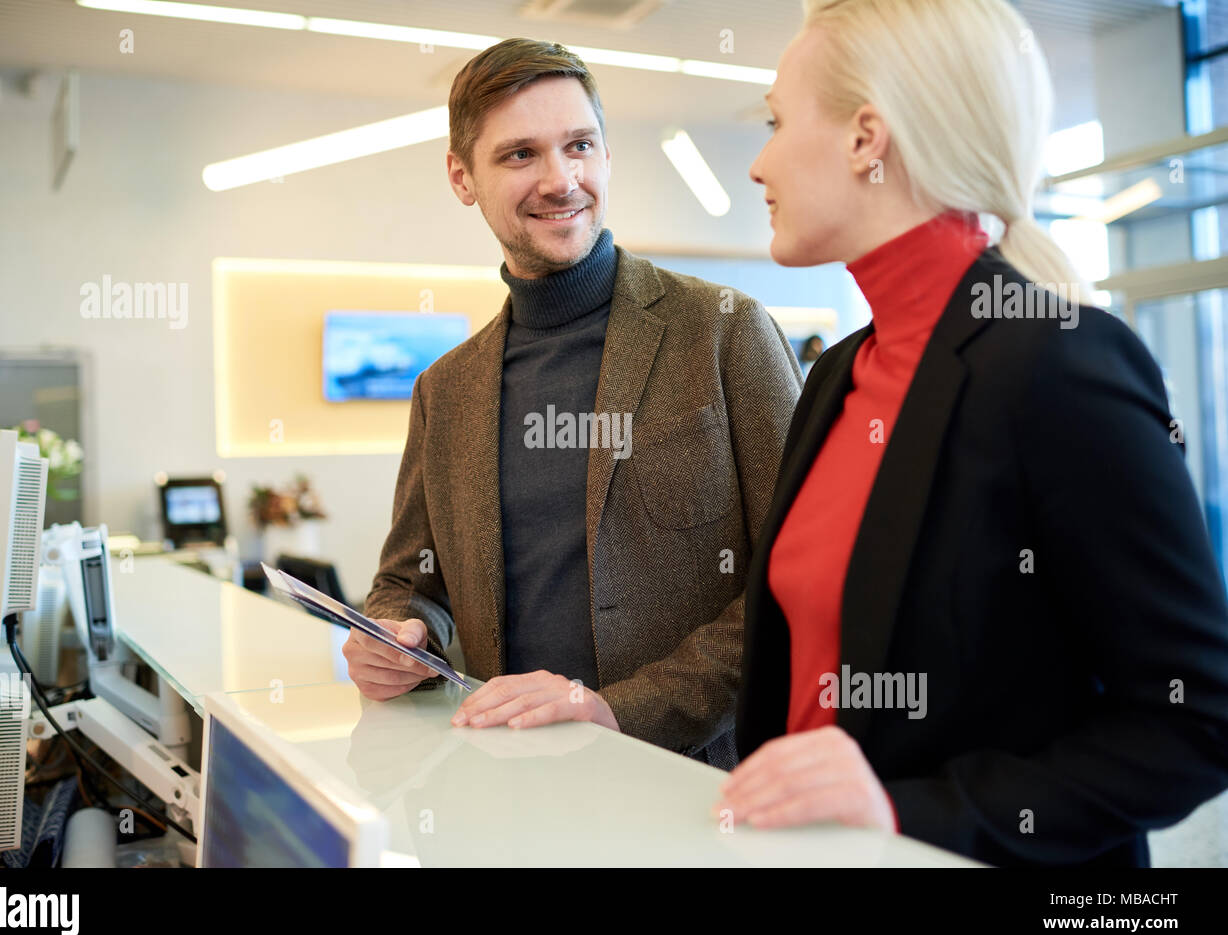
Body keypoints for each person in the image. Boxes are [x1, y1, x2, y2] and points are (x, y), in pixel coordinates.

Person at [722, 0, 1228, 865]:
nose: (760, 162)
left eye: (775, 123)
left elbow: (1196, 718)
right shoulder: (837, 375)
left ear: (865, 138)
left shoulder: (1059, 367)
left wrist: (911, 812)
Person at [347, 38, 803, 768]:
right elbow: (410, 578)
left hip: (693, 789)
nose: (562, 180)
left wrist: (616, 709)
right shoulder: (445, 391)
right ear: (462, 178)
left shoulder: (724, 333)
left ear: (607, 154)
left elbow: (799, 578)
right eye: (520, 155)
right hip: (504, 784)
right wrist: (395, 634)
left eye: (579, 145)